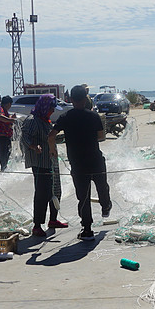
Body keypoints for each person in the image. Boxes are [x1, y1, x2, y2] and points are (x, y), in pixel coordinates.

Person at [49, 85, 112, 242]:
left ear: (70, 99)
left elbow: (51, 136)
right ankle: (105, 206)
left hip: (78, 163)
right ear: (86, 99)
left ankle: (88, 230)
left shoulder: (66, 117)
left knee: (83, 196)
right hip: (95, 160)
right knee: (102, 186)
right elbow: (101, 136)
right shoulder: (94, 116)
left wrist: (53, 150)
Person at [19, 94, 68, 240]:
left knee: (55, 189)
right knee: (42, 193)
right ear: (45, 107)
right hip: (40, 162)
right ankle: (37, 225)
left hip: (51, 160)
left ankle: (53, 219)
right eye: (51, 108)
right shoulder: (32, 121)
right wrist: (34, 146)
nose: (52, 111)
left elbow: (49, 137)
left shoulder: (45, 121)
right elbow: (24, 138)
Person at [0, 95, 17, 171]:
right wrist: (11, 120)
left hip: (5, 134)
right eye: (10, 104)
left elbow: (6, 117)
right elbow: (1, 117)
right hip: (1, 134)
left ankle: (4, 166)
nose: (10, 106)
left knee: (8, 150)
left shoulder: (3, 109)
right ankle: (3, 167)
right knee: (3, 151)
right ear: (8, 104)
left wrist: (11, 117)